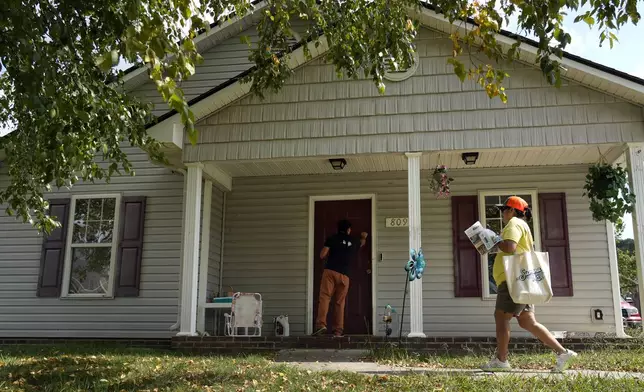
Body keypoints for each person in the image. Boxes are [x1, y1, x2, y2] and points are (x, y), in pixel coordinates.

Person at [481, 196, 578, 372]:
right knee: (528, 322)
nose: (502, 213)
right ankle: (563, 353)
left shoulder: (514, 224)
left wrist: (493, 238)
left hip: (513, 281)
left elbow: (510, 247)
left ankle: (501, 361)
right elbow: (513, 248)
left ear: (511, 210)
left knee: (501, 317)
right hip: (523, 281)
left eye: (504, 209)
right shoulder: (522, 225)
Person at [312, 219, 368, 337]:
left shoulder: (332, 238)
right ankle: (338, 330)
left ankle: (321, 325)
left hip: (330, 271)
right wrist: (363, 236)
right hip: (344, 275)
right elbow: (362, 243)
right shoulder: (354, 241)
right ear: (348, 230)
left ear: (338, 229)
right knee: (340, 302)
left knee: (325, 298)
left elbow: (322, 255)